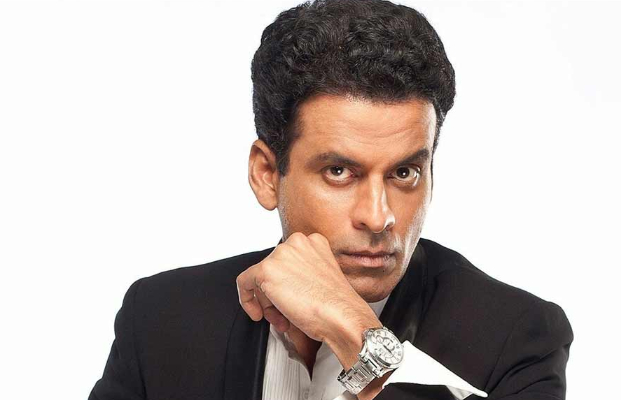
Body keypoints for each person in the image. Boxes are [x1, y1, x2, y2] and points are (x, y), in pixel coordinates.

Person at [89, 1, 573, 399]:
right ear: (266, 174)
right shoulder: (161, 320)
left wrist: (358, 335)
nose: (379, 217)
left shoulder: (516, 337)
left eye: (404, 172)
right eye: (339, 172)